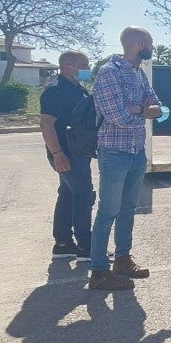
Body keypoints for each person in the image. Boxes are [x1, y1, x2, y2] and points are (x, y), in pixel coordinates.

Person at [88, 27, 164, 291]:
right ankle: (98, 272)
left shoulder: (138, 73)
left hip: (136, 152)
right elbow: (117, 117)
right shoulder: (110, 72)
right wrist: (143, 111)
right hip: (114, 153)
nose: (152, 47)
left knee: (128, 209)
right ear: (139, 43)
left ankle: (122, 259)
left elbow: (159, 109)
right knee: (108, 211)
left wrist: (139, 110)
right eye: (150, 42)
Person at [39, 50, 95, 262]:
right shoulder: (56, 91)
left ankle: (63, 243)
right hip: (67, 152)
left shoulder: (77, 88)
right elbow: (46, 124)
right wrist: (57, 154)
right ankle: (85, 246)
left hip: (78, 151)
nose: (87, 68)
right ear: (68, 66)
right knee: (83, 195)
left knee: (68, 194)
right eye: (83, 64)